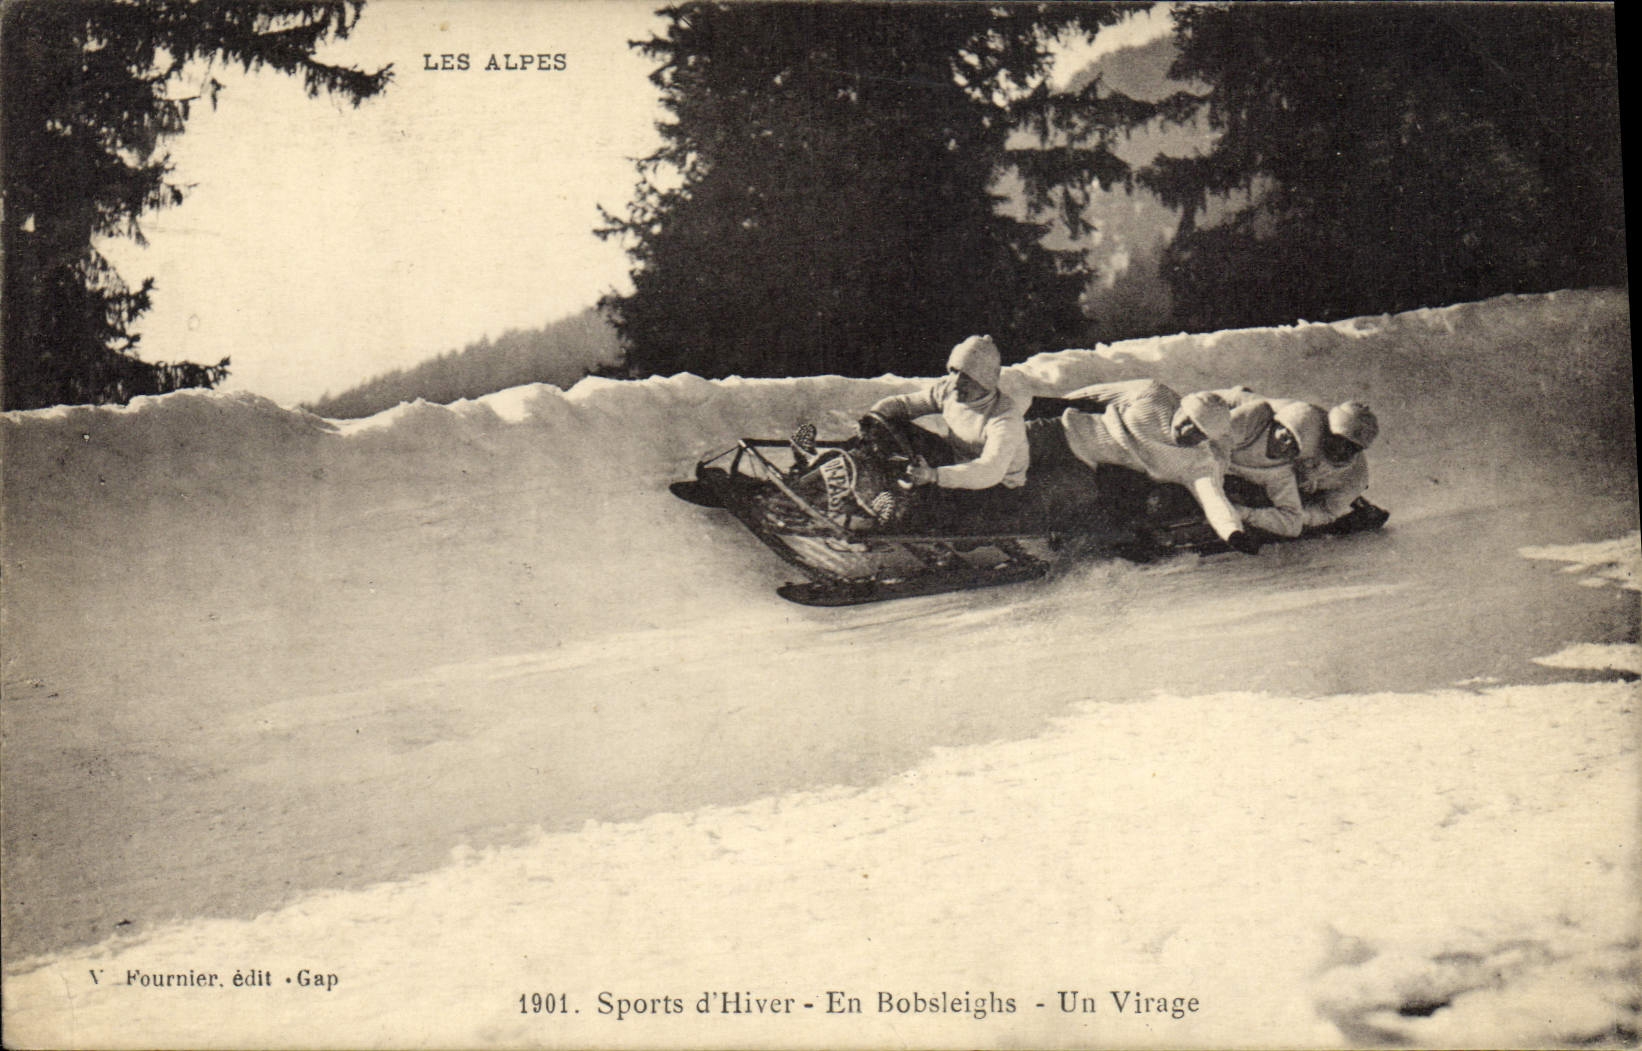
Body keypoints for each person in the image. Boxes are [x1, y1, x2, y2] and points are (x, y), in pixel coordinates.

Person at [1026, 379, 1262, 554]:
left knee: (1044, 494)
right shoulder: (1155, 394)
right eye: (1189, 422)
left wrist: (1233, 534)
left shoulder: (1199, 463)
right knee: (1000, 449)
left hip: (1081, 466)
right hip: (1059, 430)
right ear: (1181, 408)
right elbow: (1092, 395)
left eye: (1200, 433)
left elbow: (1213, 500)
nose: (1188, 433)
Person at [862, 334, 1030, 528]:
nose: (956, 382)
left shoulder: (1004, 418)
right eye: (954, 371)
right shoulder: (949, 390)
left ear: (984, 382)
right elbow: (904, 405)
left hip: (996, 491)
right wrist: (873, 418)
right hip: (958, 464)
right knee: (895, 426)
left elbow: (990, 470)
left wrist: (934, 475)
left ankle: (903, 514)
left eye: (966, 377)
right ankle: (871, 481)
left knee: (928, 510)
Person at [1202, 386, 1327, 538]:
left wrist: (1243, 513)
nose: (1286, 445)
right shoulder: (1251, 419)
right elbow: (1204, 443)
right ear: (1278, 423)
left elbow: (1292, 522)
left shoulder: (1282, 472)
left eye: (1294, 446)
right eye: (1286, 435)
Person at [1296, 401, 1379, 528]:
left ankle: (1358, 505)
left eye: (1352, 447)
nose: (1342, 451)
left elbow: (1326, 512)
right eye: (1338, 440)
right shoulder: (1302, 428)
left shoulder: (1356, 477)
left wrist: (1298, 517)